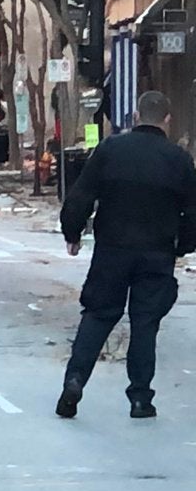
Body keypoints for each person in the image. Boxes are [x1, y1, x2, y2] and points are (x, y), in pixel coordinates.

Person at [56, 91, 196, 419]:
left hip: (112, 250)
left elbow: (80, 195)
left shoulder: (110, 150)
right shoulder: (179, 160)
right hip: (157, 252)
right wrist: (182, 247)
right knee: (145, 323)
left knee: (98, 315)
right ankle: (140, 398)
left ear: (135, 117)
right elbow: (192, 212)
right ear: (167, 120)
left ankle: (75, 381)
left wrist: (72, 233)